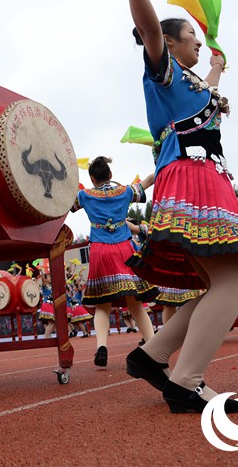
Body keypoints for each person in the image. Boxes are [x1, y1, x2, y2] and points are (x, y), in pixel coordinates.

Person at [95, 0, 238, 413]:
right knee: (235, 282)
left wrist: (216, 64)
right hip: (190, 180)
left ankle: (153, 354)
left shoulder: (191, 84)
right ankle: (186, 380)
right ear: (169, 43)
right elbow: (149, 28)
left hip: (209, 181)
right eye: (192, 40)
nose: (197, 46)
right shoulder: (162, 72)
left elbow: (208, 93)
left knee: (221, 283)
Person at [71, 157, 157, 367]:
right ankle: (155, 348)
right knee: (135, 303)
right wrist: (164, 161)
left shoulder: (85, 195)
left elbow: (68, 204)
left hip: (100, 250)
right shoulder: (125, 192)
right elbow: (147, 181)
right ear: (110, 175)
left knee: (102, 304)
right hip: (124, 248)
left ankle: (101, 346)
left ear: (92, 178)